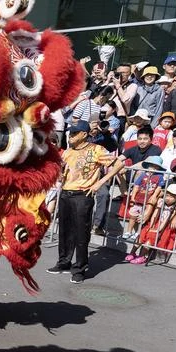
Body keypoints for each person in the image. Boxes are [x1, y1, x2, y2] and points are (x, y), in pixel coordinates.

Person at [48, 120, 124, 283]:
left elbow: (118, 163)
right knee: (65, 231)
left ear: (84, 134)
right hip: (66, 193)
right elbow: (63, 170)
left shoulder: (96, 149)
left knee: (81, 233)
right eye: (71, 133)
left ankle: (80, 269)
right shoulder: (68, 151)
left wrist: (99, 183)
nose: (71, 136)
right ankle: (64, 262)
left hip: (83, 194)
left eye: (75, 133)